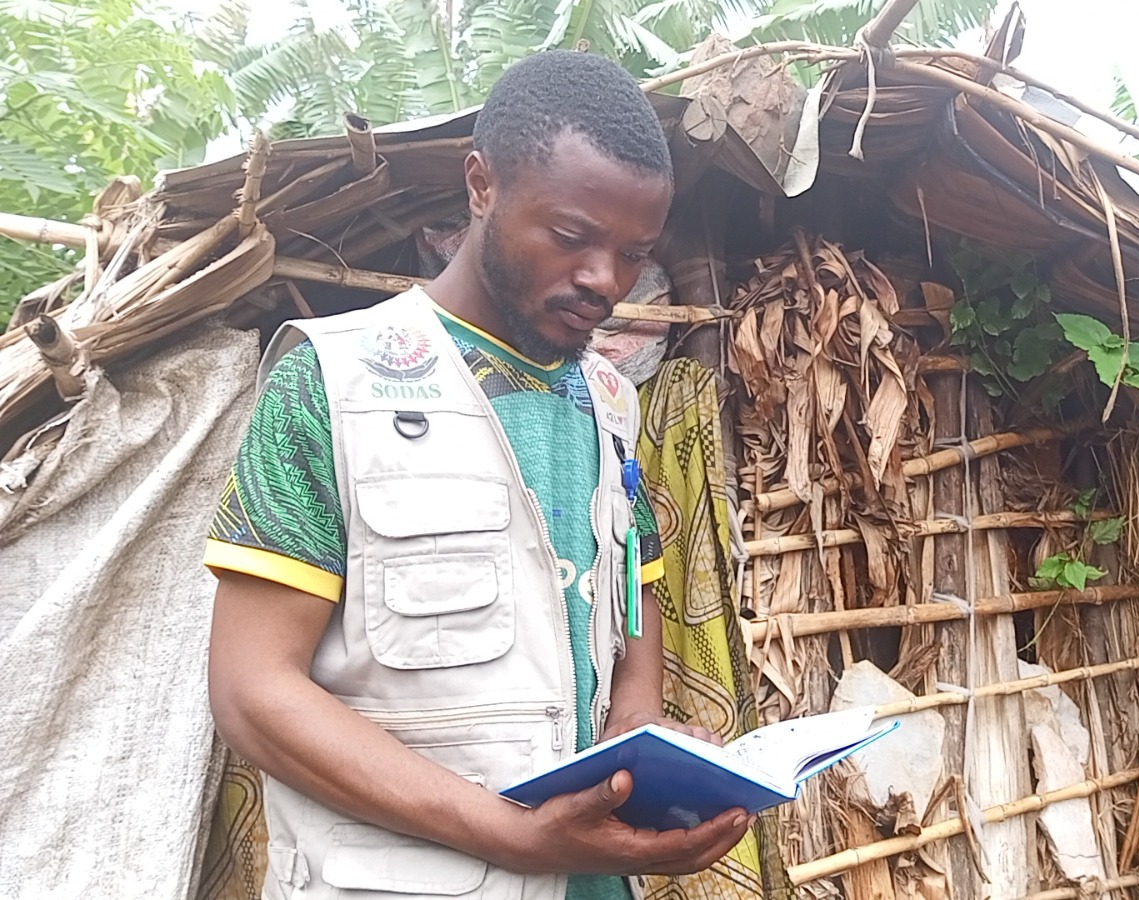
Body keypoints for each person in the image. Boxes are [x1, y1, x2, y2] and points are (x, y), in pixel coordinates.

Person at [204, 51, 750, 900]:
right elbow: (253, 693)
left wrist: (640, 729)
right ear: (481, 185)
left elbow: (632, 581)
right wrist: (510, 834)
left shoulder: (610, 401)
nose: (604, 280)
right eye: (571, 237)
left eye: (634, 253)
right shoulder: (332, 384)